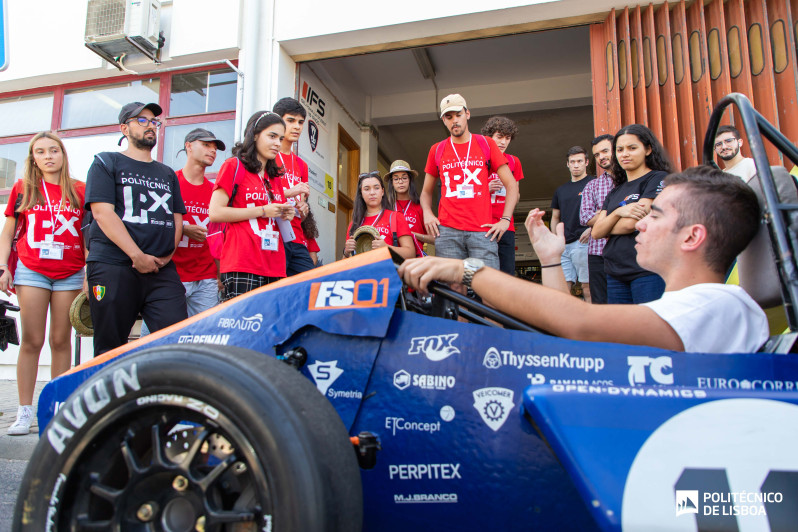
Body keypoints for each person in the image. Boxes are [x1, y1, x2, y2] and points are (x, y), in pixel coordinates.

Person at [399, 166, 768, 354]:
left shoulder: (719, 306)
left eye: (654, 216)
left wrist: (465, 270)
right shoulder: (684, 307)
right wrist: (550, 261)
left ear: (692, 236)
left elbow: (581, 324)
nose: (639, 226)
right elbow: (576, 342)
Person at [85, 102, 187, 356]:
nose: (150, 125)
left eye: (154, 121)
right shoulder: (106, 162)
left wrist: (167, 256)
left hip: (161, 270)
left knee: (176, 340)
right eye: (141, 120)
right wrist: (136, 255)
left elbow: (176, 218)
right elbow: (102, 213)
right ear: (124, 128)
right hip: (115, 265)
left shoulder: (167, 173)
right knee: (110, 347)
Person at [0, 133, 85, 434]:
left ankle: (58, 409)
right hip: (31, 269)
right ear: (33, 157)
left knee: (60, 341)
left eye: (53, 150)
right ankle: (24, 411)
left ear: (62, 154)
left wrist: (88, 273)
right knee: (32, 340)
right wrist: (2, 267)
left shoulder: (80, 189)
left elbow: (87, 233)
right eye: (40, 151)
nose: (48, 156)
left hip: (70, 271)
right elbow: (9, 228)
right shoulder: (24, 188)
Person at [421, 94, 519, 268]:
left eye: (458, 115)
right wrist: (428, 213)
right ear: (444, 120)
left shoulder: (486, 143)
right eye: (449, 117)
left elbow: (511, 184)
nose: (454, 121)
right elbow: (426, 192)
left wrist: (505, 219)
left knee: (488, 287)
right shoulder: (437, 149)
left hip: (482, 229)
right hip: (448, 230)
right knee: (452, 289)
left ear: (467, 114)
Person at [209, 111, 294, 301]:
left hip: (275, 264)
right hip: (242, 262)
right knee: (243, 327)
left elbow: (274, 214)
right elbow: (215, 212)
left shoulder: (275, 177)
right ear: (255, 134)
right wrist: (263, 211)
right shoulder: (234, 165)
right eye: (271, 136)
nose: (277, 144)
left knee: (272, 328)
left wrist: (284, 214)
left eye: (280, 138)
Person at [591, 124, 672, 304]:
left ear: (648, 149)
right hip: (615, 272)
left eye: (632, 148)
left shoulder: (657, 178)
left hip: (646, 271)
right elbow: (596, 233)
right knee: (622, 331)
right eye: (619, 150)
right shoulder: (615, 192)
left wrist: (608, 224)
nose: (624, 154)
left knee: (647, 330)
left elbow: (631, 224)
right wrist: (619, 212)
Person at [172, 128, 226, 313]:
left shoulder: (215, 191)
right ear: (188, 146)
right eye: (205, 145)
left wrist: (219, 274)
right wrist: (183, 228)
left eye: (214, 147)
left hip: (206, 277)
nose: (212, 151)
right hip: (171, 274)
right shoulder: (171, 181)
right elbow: (155, 223)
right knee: (159, 336)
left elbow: (218, 236)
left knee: (205, 335)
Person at [272, 97, 314, 276]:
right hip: (273, 234)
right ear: (277, 121)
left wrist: (304, 209)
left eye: (301, 122)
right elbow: (261, 194)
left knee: (310, 285)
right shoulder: (269, 156)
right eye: (290, 120)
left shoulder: (302, 164)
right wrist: (291, 191)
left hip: (296, 236)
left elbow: (301, 209)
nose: (297, 126)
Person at [480, 116, 524, 275]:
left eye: (508, 138)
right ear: (489, 137)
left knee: (507, 274)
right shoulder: (478, 160)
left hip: (506, 226)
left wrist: (509, 189)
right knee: (484, 274)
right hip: (483, 226)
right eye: (499, 137)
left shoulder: (514, 161)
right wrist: (486, 189)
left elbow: (517, 196)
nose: (503, 142)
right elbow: (467, 195)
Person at [551, 146, 594, 301]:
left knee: (588, 288)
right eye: (572, 162)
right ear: (567, 164)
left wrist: (593, 229)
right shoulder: (561, 190)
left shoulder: (593, 183)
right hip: (564, 245)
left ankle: (593, 324)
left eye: (579, 161)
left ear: (586, 162)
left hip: (584, 242)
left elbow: (603, 210)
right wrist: (557, 239)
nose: (576, 165)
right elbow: (555, 217)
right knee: (562, 289)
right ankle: (563, 325)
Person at [343, 171, 416, 259]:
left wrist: (386, 247)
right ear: (361, 194)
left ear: (382, 192)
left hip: (387, 271)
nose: (372, 192)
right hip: (362, 272)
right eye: (367, 189)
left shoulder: (396, 217)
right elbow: (346, 264)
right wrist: (346, 252)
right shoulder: (354, 224)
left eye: (376, 188)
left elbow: (411, 253)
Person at [580, 134, 615, 304]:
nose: (601, 157)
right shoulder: (592, 185)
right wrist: (616, 211)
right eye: (597, 155)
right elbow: (585, 217)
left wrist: (600, 215)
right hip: (597, 252)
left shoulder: (629, 181)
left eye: (605, 151)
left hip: (625, 249)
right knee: (600, 302)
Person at [384, 159, 430, 257]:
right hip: (390, 258)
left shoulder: (420, 206)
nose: (400, 181)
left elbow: (436, 239)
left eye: (404, 178)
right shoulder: (386, 207)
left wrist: (411, 234)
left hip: (416, 259)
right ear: (391, 183)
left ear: (410, 180)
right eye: (396, 179)